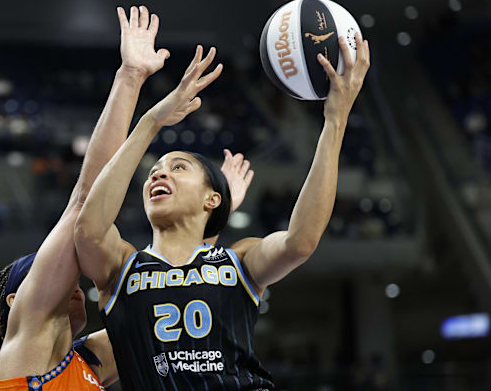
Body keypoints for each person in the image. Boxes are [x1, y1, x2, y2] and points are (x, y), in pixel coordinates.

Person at [0, 6, 255, 391]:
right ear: (18, 301)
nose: (74, 276)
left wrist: (209, 211)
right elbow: (85, 199)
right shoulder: (25, 347)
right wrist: (131, 78)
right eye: (58, 269)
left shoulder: (88, 361)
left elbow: (174, 295)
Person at [74, 34, 370, 390]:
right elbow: (88, 226)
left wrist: (335, 121)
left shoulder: (238, 260)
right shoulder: (121, 266)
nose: (159, 173)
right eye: (155, 171)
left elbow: (300, 242)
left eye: (179, 167)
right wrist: (152, 122)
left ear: (211, 199)